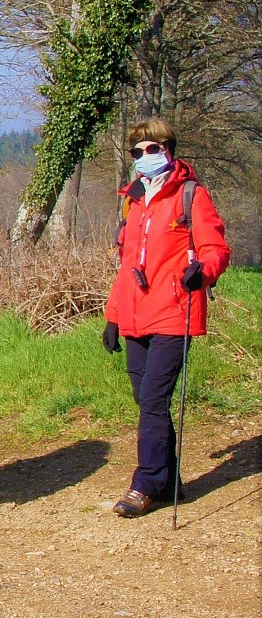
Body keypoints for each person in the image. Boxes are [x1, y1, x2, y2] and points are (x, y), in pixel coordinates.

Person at [102, 117, 230, 518]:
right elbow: (126, 266)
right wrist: (112, 315)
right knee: (145, 399)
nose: (144, 156)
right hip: (136, 315)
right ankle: (170, 480)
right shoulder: (132, 200)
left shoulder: (191, 195)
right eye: (137, 151)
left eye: (152, 148)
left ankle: (145, 483)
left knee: (154, 400)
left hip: (175, 312)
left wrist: (203, 271)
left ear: (169, 149)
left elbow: (215, 249)